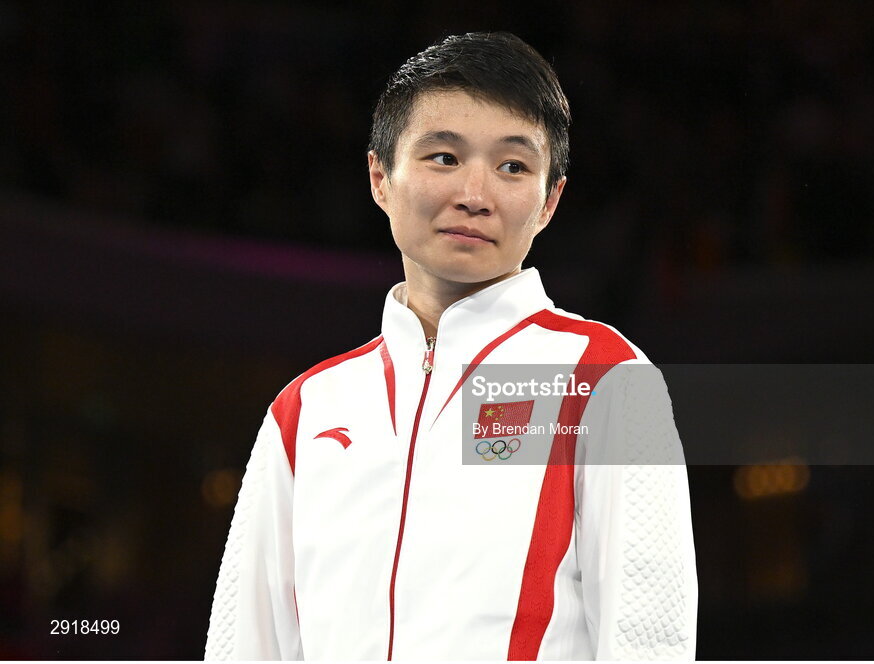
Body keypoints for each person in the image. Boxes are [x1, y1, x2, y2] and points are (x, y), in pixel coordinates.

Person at [205, 31, 697, 661]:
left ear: (551, 200)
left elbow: (649, 640)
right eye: (443, 157)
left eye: (513, 166)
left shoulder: (604, 378)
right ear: (380, 175)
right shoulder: (305, 411)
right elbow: (244, 647)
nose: (475, 193)